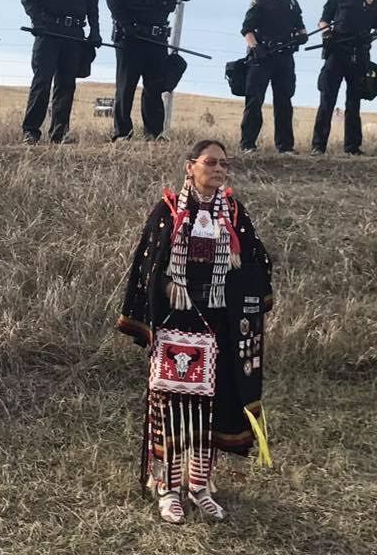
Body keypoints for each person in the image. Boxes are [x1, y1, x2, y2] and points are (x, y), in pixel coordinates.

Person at [118, 140, 273, 524]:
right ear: (190, 167)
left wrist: (238, 289)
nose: (219, 169)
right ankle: (168, 488)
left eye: (224, 164)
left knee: (212, 407)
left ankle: (199, 486)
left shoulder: (234, 213)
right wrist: (166, 285)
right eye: (211, 162)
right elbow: (146, 264)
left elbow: (258, 261)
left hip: (218, 324)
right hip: (176, 325)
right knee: (172, 408)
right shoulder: (168, 211)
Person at [107, 0, 192, 141]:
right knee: (126, 86)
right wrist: (126, 26)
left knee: (155, 87)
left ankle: (154, 133)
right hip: (132, 37)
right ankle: (122, 133)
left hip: (157, 38)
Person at [20, 0, 100, 144]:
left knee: (67, 84)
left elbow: (92, 4)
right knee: (42, 82)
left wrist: (94, 31)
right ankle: (30, 132)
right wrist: (39, 22)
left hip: (74, 34)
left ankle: (60, 132)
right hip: (49, 33)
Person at [310, 0, 377, 155]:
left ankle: (352, 147)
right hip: (337, 51)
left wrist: (369, 38)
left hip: (360, 53)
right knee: (327, 98)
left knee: (354, 101)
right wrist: (327, 33)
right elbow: (324, 19)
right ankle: (318, 146)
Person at [239, 0, 307, 154]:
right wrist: (255, 47)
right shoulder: (259, 1)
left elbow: (300, 27)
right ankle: (248, 144)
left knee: (284, 101)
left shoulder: (292, 4)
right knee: (254, 100)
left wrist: (301, 36)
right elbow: (247, 29)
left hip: (284, 58)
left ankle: (285, 146)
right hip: (261, 57)